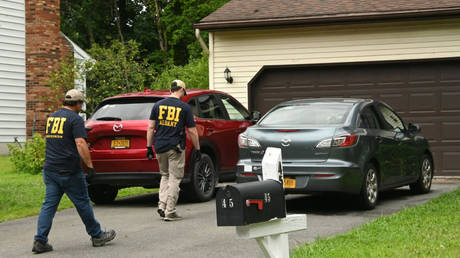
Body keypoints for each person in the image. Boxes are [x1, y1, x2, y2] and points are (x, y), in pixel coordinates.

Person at [32, 89, 116, 254]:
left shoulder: (52, 117)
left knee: (48, 205)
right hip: (68, 170)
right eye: (81, 104)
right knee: (83, 202)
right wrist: (90, 167)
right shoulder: (75, 119)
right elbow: (80, 144)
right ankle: (97, 235)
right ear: (77, 103)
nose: (81, 107)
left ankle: (40, 240)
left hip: (50, 169)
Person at [146, 80, 201, 221]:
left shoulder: (157, 105)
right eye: (184, 92)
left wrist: (148, 147)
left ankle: (162, 205)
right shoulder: (184, 107)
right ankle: (170, 211)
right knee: (175, 178)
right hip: (175, 147)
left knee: (164, 176)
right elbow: (193, 131)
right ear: (181, 89)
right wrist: (197, 148)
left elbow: (151, 127)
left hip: (159, 146)